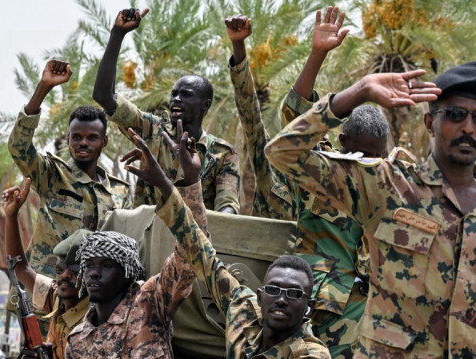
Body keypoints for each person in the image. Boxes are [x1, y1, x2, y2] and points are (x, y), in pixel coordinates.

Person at [264, 61, 476, 357]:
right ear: (430, 123)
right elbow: (282, 153)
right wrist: (360, 91)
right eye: (456, 115)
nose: (469, 128)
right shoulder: (388, 186)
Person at [226, 8, 387, 357]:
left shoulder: (387, 184)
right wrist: (317, 54)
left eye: (374, 158)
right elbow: (295, 114)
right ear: (342, 144)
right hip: (309, 303)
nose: (365, 166)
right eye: (358, 156)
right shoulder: (319, 170)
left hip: (359, 313)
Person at [122, 122, 330, 358]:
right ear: (260, 296)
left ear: (308, 308)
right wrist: (174, 183)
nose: (281, 299)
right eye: (273, 289)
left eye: (294, 294)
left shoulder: (311, 354)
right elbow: (200, 252)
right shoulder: (244, 309)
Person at [93, 8, 239, 214]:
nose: (176, 99)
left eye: (186, 94)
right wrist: (118, 34)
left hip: (196, 240)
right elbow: (103, 96)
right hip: (149, 236)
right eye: (174, 94)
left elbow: (228, 205)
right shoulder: (152, 130)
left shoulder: (222, 154)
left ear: (205, 105)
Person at [8, 60, 132, 278]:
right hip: (46, 293)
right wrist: (43, 88)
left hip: (91, 296)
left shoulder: (120, 192)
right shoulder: (52, 175)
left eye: (92, 137)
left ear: (105, 142)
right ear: (68, 140)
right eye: (77, 137)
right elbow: (19, 147)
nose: (83, 143)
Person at [64, 226, 196, 357]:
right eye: (89, 266)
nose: (94, 273)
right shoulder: (77, 341)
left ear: (127, 274)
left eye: (107, 266)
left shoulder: (149, 303)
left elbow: (184, 262)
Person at [2, 178, 89, 359]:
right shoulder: (56, 297)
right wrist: (11, 217)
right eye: (60, 268)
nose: (65, 275)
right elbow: (21, 268)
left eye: (74, 269)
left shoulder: (94, 317)